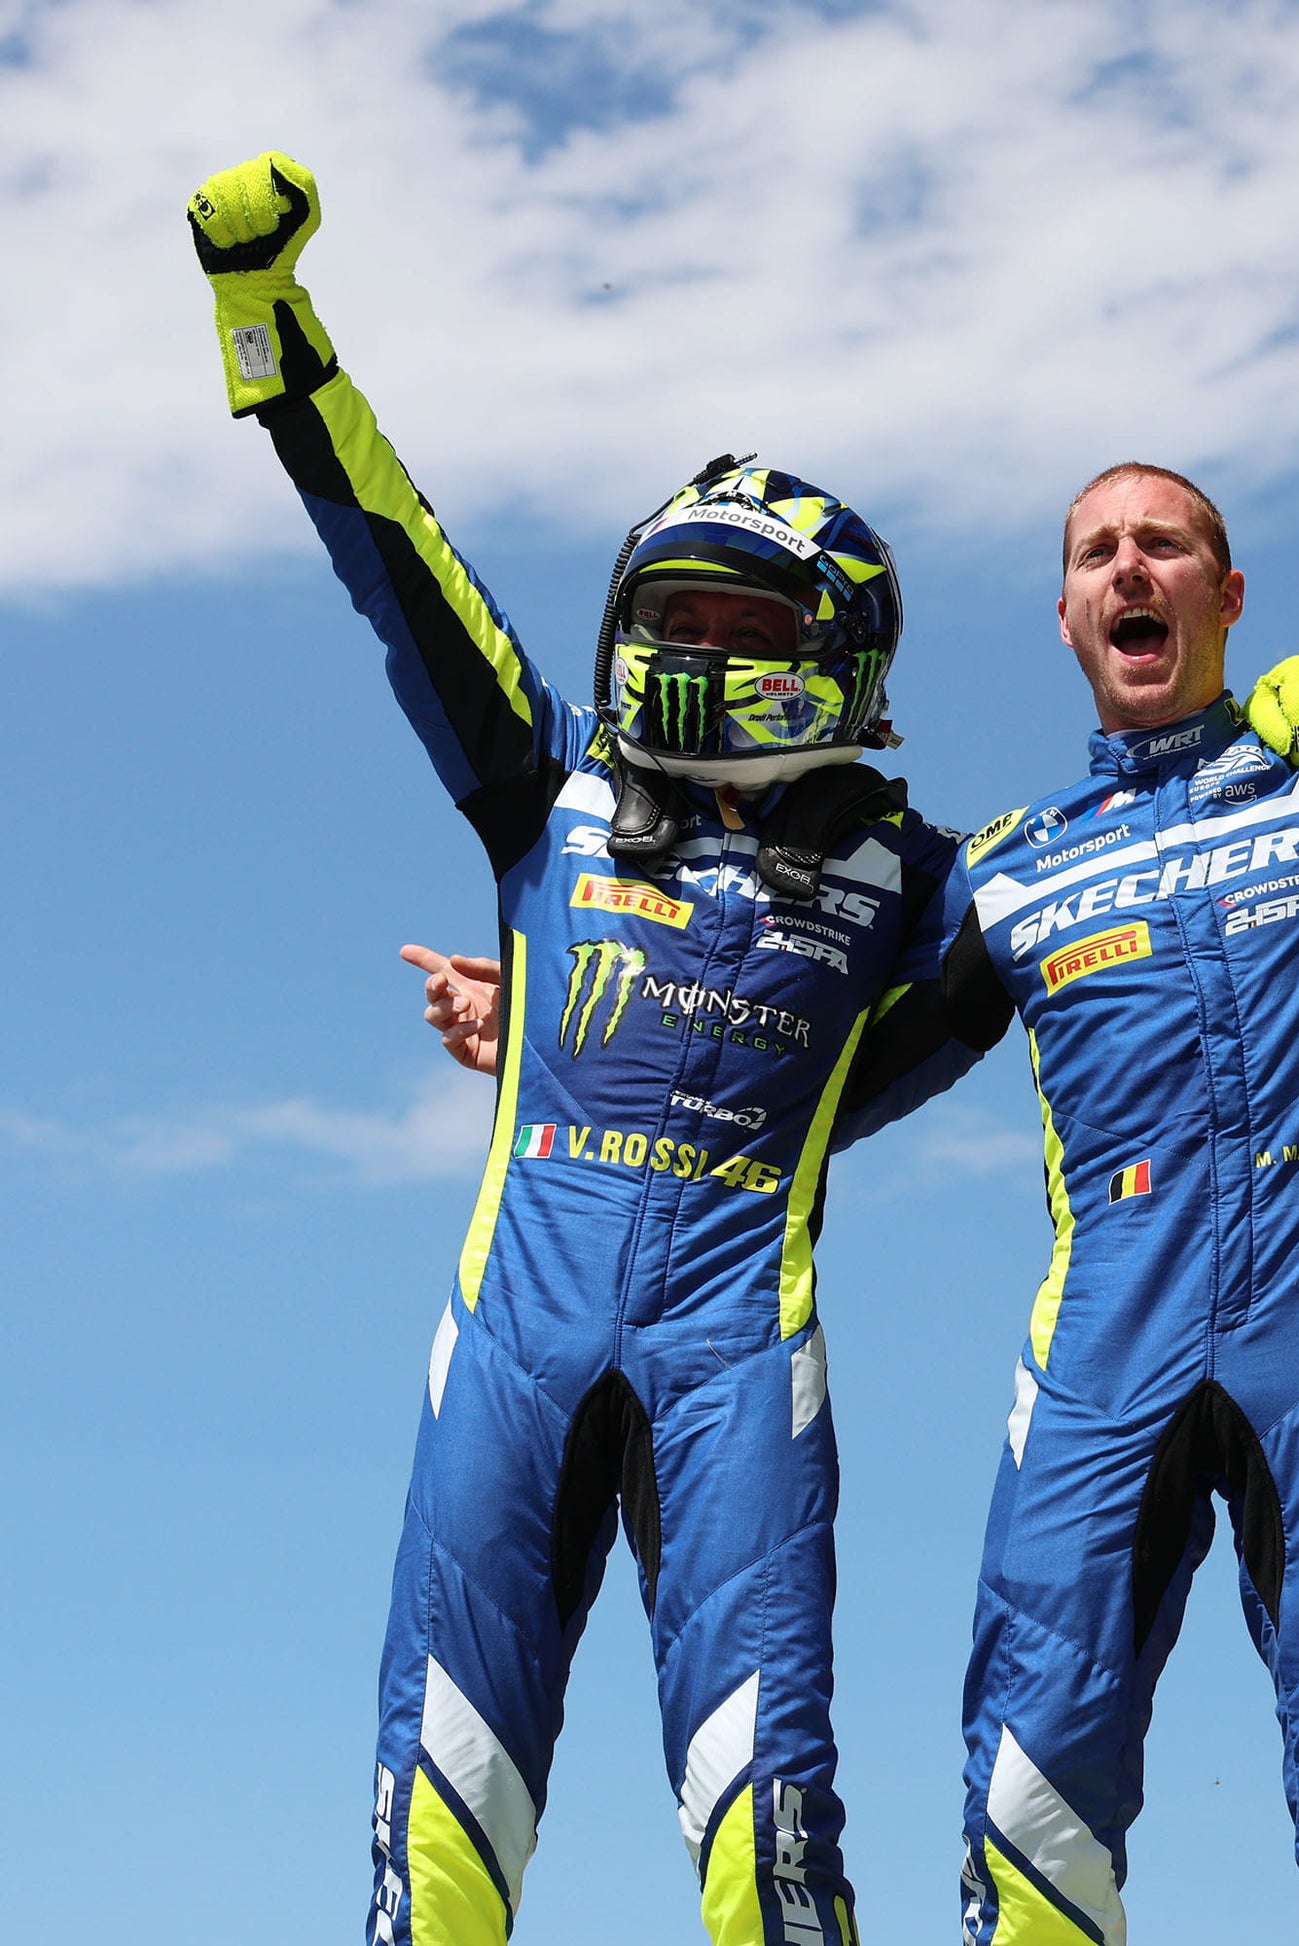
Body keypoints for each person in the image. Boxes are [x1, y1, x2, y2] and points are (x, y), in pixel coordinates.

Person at [395, 87, 1299, 1946]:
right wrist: (564, 1017)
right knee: (1027, 1840)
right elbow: (801, 1058)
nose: (1128, 566)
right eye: (1096, 548)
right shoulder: (1004, 875)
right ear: (1063, 615)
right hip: (1093, 1368)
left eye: (1164, 542)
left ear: (1225, 593)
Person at [187, 152, 976, 1946]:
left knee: (773, 1813)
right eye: (674, 619)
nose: (697, 653)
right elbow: (393, 552)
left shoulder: (932, 879)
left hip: (734, 1366)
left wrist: (1287, 745)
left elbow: (1140, 913)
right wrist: (268, 323)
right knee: (433, 1809)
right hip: (511, 1352)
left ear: (839, 653)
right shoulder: (545, 789)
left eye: (744, 628)